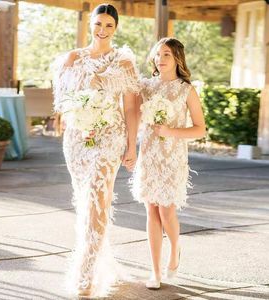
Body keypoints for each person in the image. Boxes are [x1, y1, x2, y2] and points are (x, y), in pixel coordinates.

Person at [52, 4, 139, 297]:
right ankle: (100, 260)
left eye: (109, 26)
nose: (102, 31)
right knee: (83, 200)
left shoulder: (124, 61)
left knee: (98, 199)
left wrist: (131, 145)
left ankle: (86, 274)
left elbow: (130, 106)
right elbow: (63, 102)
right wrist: (74, 116)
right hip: (77, 138)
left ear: (116, 29)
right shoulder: (72, 59)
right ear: (90, 24)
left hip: (109, 136)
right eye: (98, 24)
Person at [132, 37, 206, 289]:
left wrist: (170, 132)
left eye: (166, 55)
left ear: (177, 59)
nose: (160, 59)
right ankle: (154, 271)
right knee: (150, 208)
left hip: (172, 156)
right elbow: (126, 105)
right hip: (149, 154)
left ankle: (175, 249)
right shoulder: (145, 86)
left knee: (166, 209)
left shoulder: (186, 89)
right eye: (157, 54)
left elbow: (200, 129)